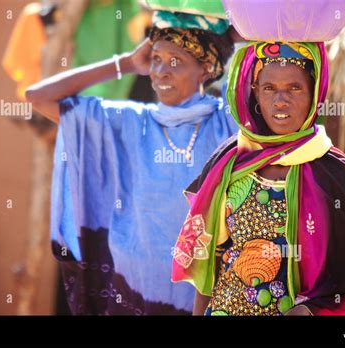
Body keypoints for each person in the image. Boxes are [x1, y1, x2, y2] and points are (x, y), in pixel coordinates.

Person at [172, 41, 345, 315]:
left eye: (294, 88)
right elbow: (207, 265)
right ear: (255, 95)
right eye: (269, 88)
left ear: (314, 94)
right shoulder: (229, 162)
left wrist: (310, 310)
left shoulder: (337, 175)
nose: (280, 100)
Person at [25, 11, 238, 315]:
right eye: (156, 59)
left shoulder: (226, 124)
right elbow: (38, 96)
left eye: (174, 61)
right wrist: (124, 63)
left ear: (205, 68)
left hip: (204, 297)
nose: (160, 71)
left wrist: (230, 38)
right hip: (134, 292)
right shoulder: (130, 123)